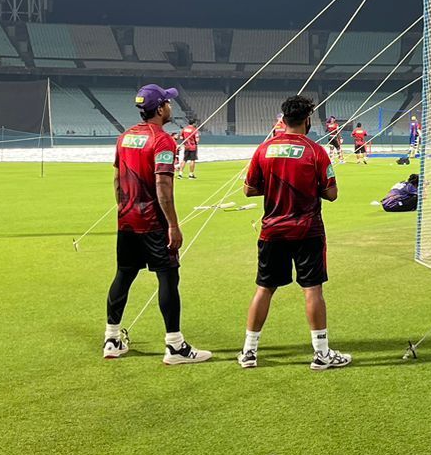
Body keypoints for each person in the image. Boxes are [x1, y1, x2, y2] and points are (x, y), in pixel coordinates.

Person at [238, 95, 351, 371]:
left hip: (272, 232)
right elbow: (332, 194)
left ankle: (249, 352)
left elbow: (249, 189)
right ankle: (321, 354)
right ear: (308, 119)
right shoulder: (316, 152)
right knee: (312, 290)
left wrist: (278, 187)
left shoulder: (264, 150)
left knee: (264, 289)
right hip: (307, 232)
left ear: (283, 118)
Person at [102, 84, 212, 365]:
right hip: (153, 223)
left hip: (126, 220)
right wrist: (173, 225)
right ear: (161, 108)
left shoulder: (125, 137)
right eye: (168, 103)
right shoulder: (162, 140)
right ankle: (174, 345)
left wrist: (122, 206)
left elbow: (116, 179)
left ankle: (111, 339)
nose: (171, 108)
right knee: (168, 277)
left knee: (123, 275)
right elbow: (163, 185)